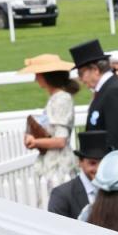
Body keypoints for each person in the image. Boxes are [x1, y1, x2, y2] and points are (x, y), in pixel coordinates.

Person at [19, 53, 80, 188]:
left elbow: (60, 141)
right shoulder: (55, 98)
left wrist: (35, 142)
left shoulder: (61, 99)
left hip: (59, 168)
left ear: (47, 76)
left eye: (38, 74)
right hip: (52, 165)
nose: (36, 79)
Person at [69, 38, 118, 156]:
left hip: (115, 163)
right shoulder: (106, 89)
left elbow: (114, 137)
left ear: (95, 69)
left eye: (81, 73)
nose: (81, 79)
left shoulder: (114, 91)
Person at [47, 130, 108, 219]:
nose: (98, 169)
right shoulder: (62, 196)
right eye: (92, 163)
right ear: (80, 162)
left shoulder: (115, 191)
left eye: (103, 163)